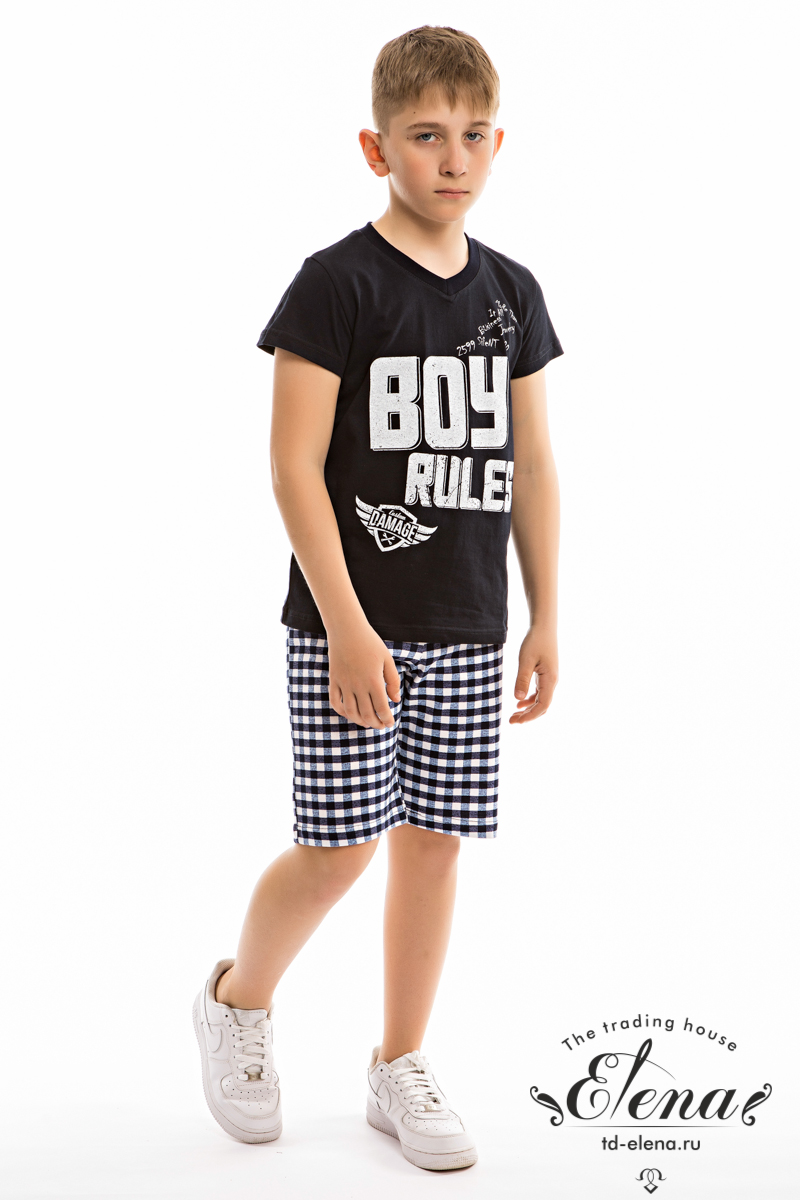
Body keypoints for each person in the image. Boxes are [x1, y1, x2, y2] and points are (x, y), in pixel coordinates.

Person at [193, 24, 563, 1172]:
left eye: (471, 135)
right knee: (339, 849)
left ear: (496, 144)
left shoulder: (511, 294)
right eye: (424, 135)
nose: (451, 158)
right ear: (375, 148)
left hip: (466, 622)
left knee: (434, 844)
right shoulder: (336, 285)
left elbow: (532, 467)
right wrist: (348, 627)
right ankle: (237, 1001)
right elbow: (291, 466)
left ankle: (397, 1061)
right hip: (347, 630)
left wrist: (545, 614)